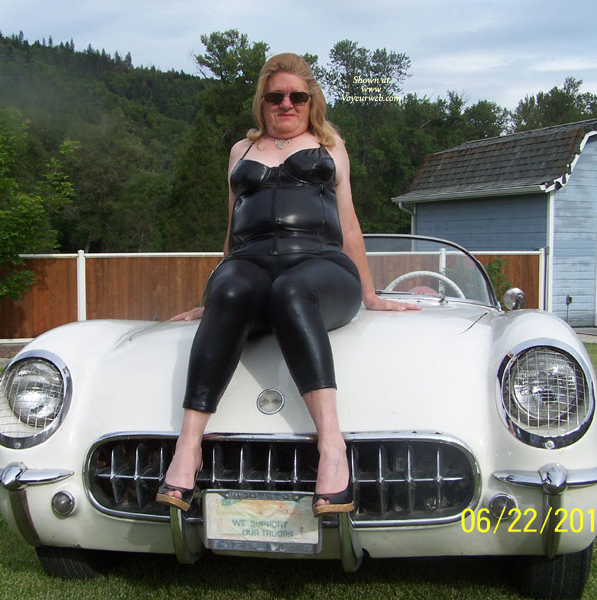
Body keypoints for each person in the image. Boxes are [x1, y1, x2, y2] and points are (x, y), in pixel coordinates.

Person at [156, 52, 419, 516]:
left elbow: (349, 224)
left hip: (322, 268)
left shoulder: (330, 146)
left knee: (291, 291)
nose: (286, 104)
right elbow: (232, 229)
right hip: (251, 265)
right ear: (262, 101)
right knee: (230, 290)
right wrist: (213, 297)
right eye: (276, 96)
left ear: (311, 100)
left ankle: (332, 447)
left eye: (297, 96)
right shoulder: (241, 151)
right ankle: (188, 447)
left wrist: (371, 294)